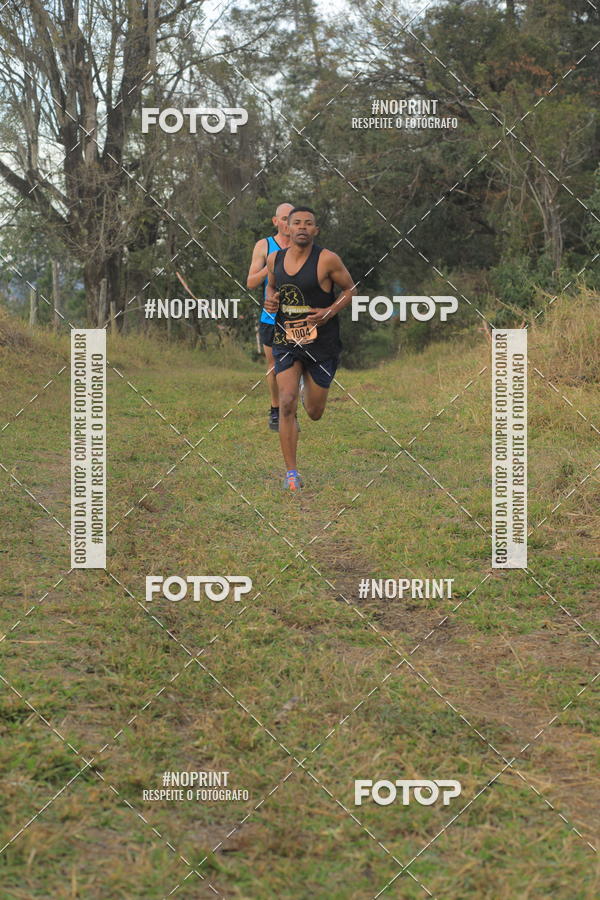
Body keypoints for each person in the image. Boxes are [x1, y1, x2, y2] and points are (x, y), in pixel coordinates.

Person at [264, 206, 357, 492]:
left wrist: (329, 312)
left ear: (315, 230)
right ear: (287, 229)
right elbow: (271, 288)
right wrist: (270, 302)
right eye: (297, 223)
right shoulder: (273, 259)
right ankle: (291, 473)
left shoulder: (327, 259)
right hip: (286, 340)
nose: (302, 227)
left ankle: (309, 389)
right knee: (287, 401)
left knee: (314, 412)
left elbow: (351, 290)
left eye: (308, 223)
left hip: (322, 342)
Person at [246, 202, 294, 431]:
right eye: (283, 218)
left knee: (296, 364)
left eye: (291, 218)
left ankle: (290, 410)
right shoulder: (264, 246)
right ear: (276, 221)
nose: (287, 223)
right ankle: (276, 410)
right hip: (271, 315)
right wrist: (272, 263)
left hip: (297, 316)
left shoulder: (303, 245)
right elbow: (251, 282)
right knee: (274, 365)